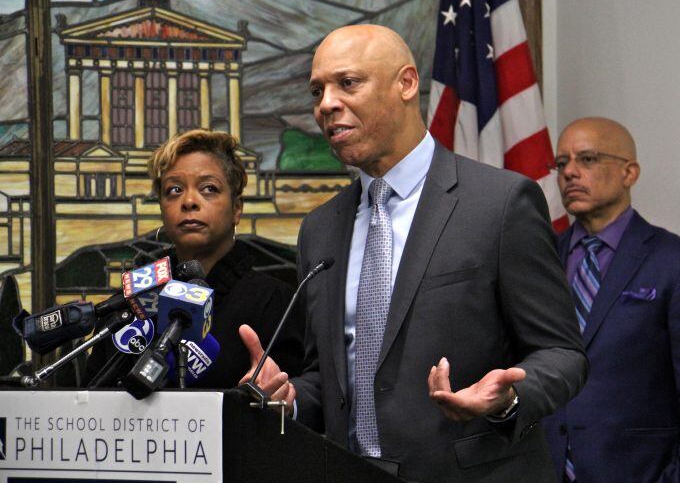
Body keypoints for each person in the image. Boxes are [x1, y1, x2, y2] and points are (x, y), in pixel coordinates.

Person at [238, 24, 587, 482]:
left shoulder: (500, 204)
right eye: (317, 90)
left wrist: (509, 400)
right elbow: (329, 375)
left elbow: (561, 352)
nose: (326, 104)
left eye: (348, 83)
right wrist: (291, 398)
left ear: (406, 83)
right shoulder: (319, 229)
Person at [542, 117, 680, 482]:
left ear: (629, 173)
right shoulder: (540, 261)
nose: (569, 172)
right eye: (561, 163)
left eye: (587, 159)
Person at [84, 129, 305, 388]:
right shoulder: (131, 302)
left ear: (236, 208)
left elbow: (298, 407)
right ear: (161, 208)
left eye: (209, 189)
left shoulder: (274, 302)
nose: (189, 201)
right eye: (174, 190)